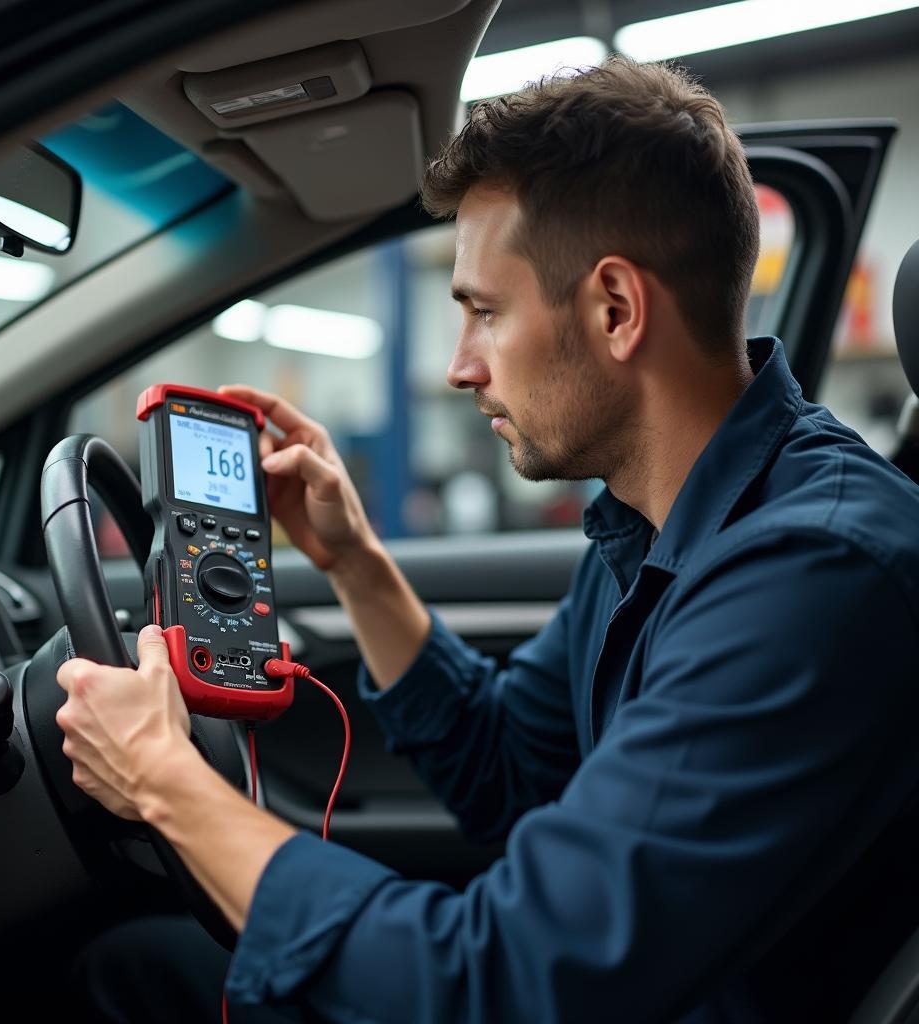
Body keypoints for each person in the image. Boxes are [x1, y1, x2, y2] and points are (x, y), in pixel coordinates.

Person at [59, 56, 919, 1023]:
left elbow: (497, 981)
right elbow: (514, 774)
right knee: (143, 962)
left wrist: (164, 779)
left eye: (483, 311)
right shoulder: (660, 521)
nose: (463, 366)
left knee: (119, 978)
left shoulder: (815, 571)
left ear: (615, 310)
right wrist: (352, 559)